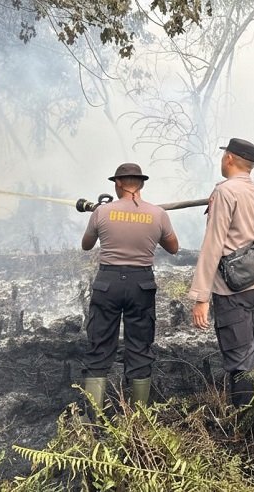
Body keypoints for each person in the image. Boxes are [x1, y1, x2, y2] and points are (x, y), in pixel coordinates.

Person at [80, 163, 179, 411]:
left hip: (108, 283)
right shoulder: (157, 214)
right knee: (140, 345)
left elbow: (86, 244)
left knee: (99, 344)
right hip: (141, 284)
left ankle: (94, 416)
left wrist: (99, 214)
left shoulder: (102, 213)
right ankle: (138, 418)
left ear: (119, 184)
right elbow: (173, 248)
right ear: (141, 184)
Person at [189, 138, 254, 407]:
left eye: (224, 154)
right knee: (250, 354)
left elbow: (213, 244)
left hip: (232, 290)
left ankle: (248, 427)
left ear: (229, 159)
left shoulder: (225, 192)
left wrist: (201, 297)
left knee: (240, 362)